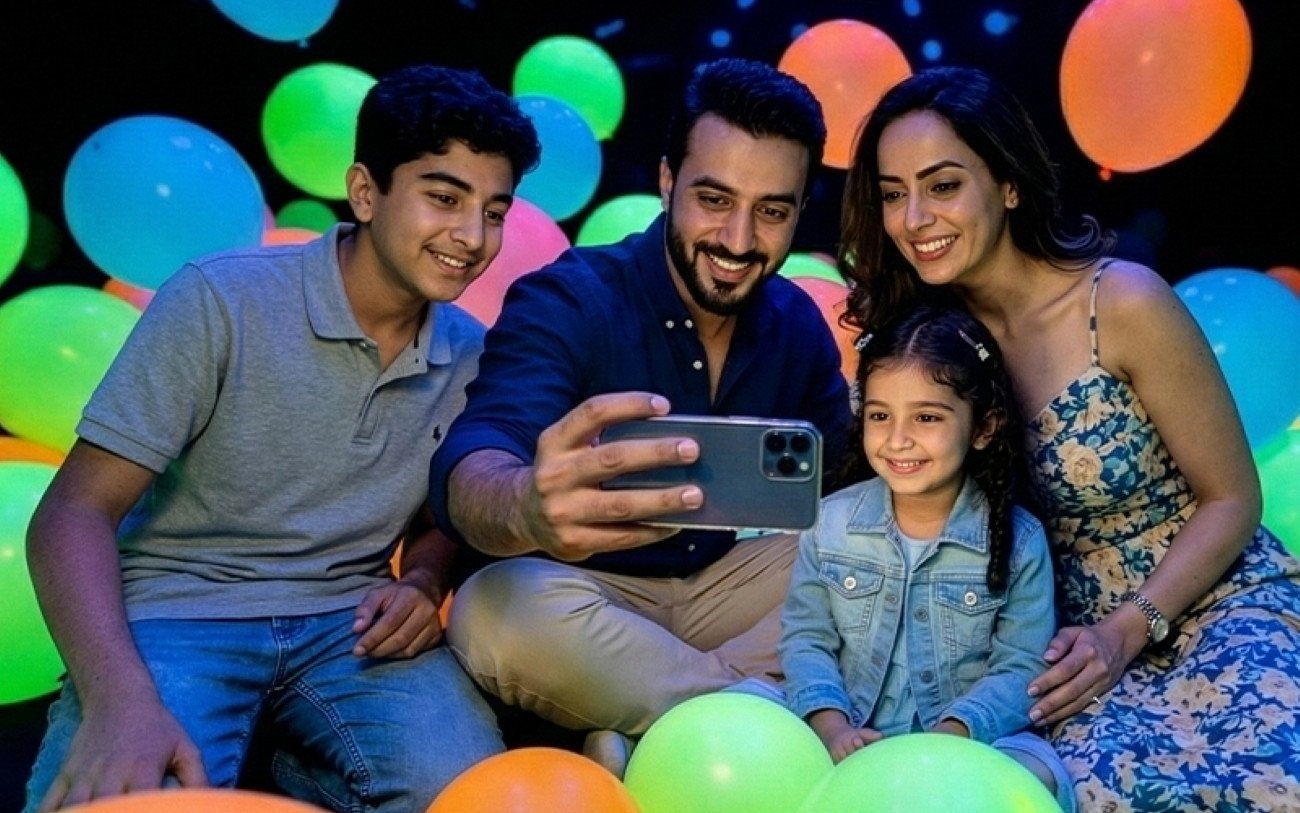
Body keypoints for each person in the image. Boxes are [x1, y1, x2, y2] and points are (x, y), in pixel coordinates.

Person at [23, 64, 541, 813]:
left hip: (348, 621)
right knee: (124, 797)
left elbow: (440, 516)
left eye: (495, 211)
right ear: (366, 192)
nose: (472, 236)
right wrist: (116, 698)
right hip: (177, 607)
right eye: (444, 197)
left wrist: (424, 581)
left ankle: (274, 763)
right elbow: (70, 514)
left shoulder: (472, 351)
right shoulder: (219, 299)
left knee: (470, 797)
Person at [841, 64, 1300, 811]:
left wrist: (1128, 629)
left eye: (943, 184)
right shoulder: (928, 349)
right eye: (894, 194)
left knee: (1272, 781)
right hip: (1061, 649)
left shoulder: (1119, 302)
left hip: (1213, 601)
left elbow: (1233, 498)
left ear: (1010, 183)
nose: (914, 217)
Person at [427, 57, 852, 775]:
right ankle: (770, 726)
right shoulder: (571, 297)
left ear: (798, 210)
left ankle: (647, 731)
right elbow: (477, 457)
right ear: (666, 181)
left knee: (866, 560)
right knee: (492, 607)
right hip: (586, 590)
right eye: (713, 199)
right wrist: (525, 506)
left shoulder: (797, 324)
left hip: (729, 590)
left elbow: (839, 484)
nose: (739, 239)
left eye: (772, 211)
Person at [778, 306, 1075, 812]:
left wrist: (954, 733)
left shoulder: (1018, 541)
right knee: (749, 706)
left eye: (927, 417)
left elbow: (1021, 665)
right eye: (879, 416)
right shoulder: (829, 524)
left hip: (965, 739)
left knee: (1038, 773)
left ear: (984, 427)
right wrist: (831, 726)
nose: (897, 439)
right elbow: (807, 638)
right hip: (851, 729)